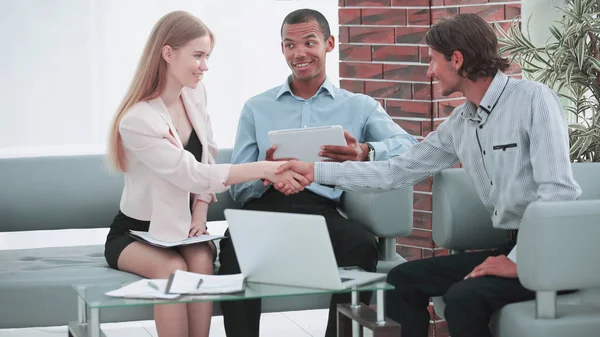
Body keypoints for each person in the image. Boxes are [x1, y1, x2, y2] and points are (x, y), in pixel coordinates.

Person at [276, 13, 582, 337]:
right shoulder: (461, 123)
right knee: (402, 280)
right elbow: (396, 171)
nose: (430, 71)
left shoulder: (533, 100)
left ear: (457, 59)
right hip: (514, 247)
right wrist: (314, 171)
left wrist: (521, 261)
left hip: (554, 252)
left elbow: (559, 192)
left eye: (433, 60)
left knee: (463, 298)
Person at [104, 11, 307, 337]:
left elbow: (207, 151)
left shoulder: (193, 93)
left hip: (184, 227)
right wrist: (264, 169)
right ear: (168, 53)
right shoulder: (138, 120)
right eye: (197, 56)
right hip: (136, 233)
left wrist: (200, 211)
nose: (205, 65)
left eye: (207, 56)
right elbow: (192, 173)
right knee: (173, 270)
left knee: (201, 263)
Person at [218, 8, 417, 337]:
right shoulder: (256, 108)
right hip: (265, 206)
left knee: (361, 246)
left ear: (329, 44)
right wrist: (264, 175)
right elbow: (237, 187)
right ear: (282, 49)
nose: (299, 53)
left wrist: (365, 151)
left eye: (309, 42)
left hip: (323, 209)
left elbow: (410, 147)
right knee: (233, 247)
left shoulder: (358, 106)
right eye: (289, 45)